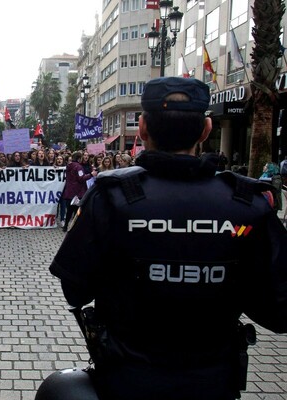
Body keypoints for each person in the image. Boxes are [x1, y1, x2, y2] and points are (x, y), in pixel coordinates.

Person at [48, 77, 287, 400]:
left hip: (126, 380)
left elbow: (74, 290)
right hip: (212, 383)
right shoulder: (249, 204)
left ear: (143, 128)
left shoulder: (110, 198)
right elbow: (279, 311)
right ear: (205, 129)